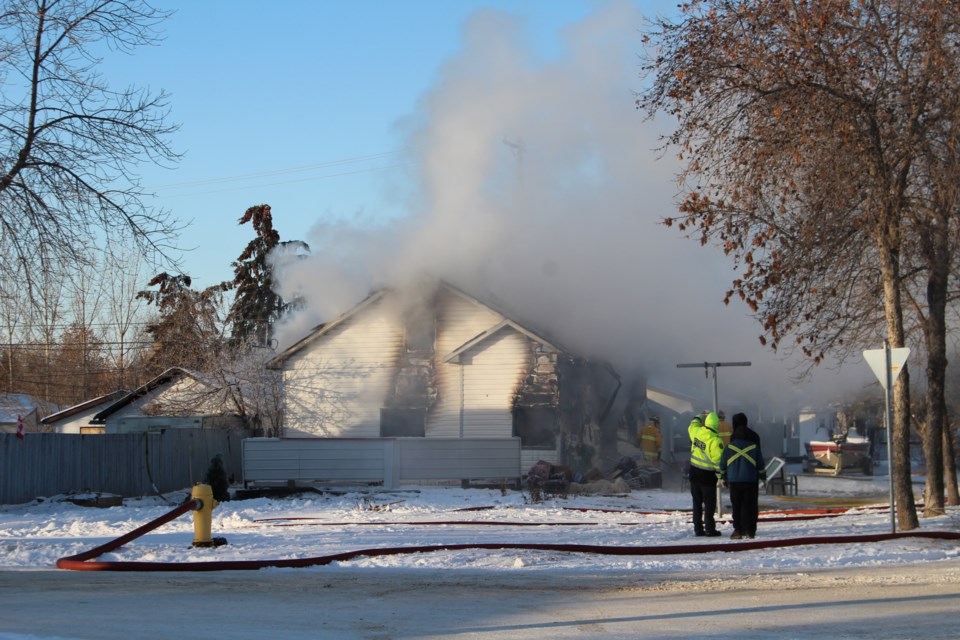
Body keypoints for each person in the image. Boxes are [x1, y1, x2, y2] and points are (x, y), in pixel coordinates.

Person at [719, 412, 766, 539]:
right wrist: (763, 477)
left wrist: (723, 478)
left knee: (737, 505)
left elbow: (723, 464)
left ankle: (738, 530)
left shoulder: (730, 445)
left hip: (734, 480)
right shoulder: (754, 442)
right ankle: (751, 530)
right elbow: (760, 463)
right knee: (750, 505)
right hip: (751, 479)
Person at [688, 412, 725, 536]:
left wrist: (700, 415)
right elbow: (718, 462)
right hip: (707, 477)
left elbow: (693, 423)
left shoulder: (696, 431)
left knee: (696, 503)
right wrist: (721, 477)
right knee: (709, 505)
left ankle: (698, 529)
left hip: (694, 474)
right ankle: (710, 529)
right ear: (716, 425)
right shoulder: (715, 441)